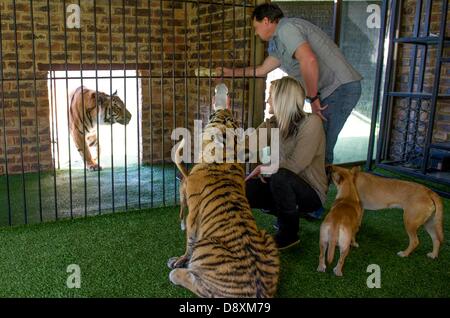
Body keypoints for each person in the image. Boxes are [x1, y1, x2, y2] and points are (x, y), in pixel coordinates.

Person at [218, 3, 362, 219]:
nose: (256, 33)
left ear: (267, 21)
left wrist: (313, 98)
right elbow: (262, 70)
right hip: (325, 91)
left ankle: (316, 204)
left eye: (256, 27)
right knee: (308, 141)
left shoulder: (286, 28)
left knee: (322, 145)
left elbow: (309, 60)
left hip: (338, 88)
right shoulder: (279, 45)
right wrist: (230, 73)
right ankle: (289, 192)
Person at [245, 76, 328, 250]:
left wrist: (264, 168)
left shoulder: (312, 123)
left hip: (310, 193)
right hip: (278, 181)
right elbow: (246, 145)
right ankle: (236, 230)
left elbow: (295, 165)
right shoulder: (274, 123)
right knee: (242, 186)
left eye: (270, 96)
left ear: (282, 99)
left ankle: (288, 235)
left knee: (281, 176)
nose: (267, 100)